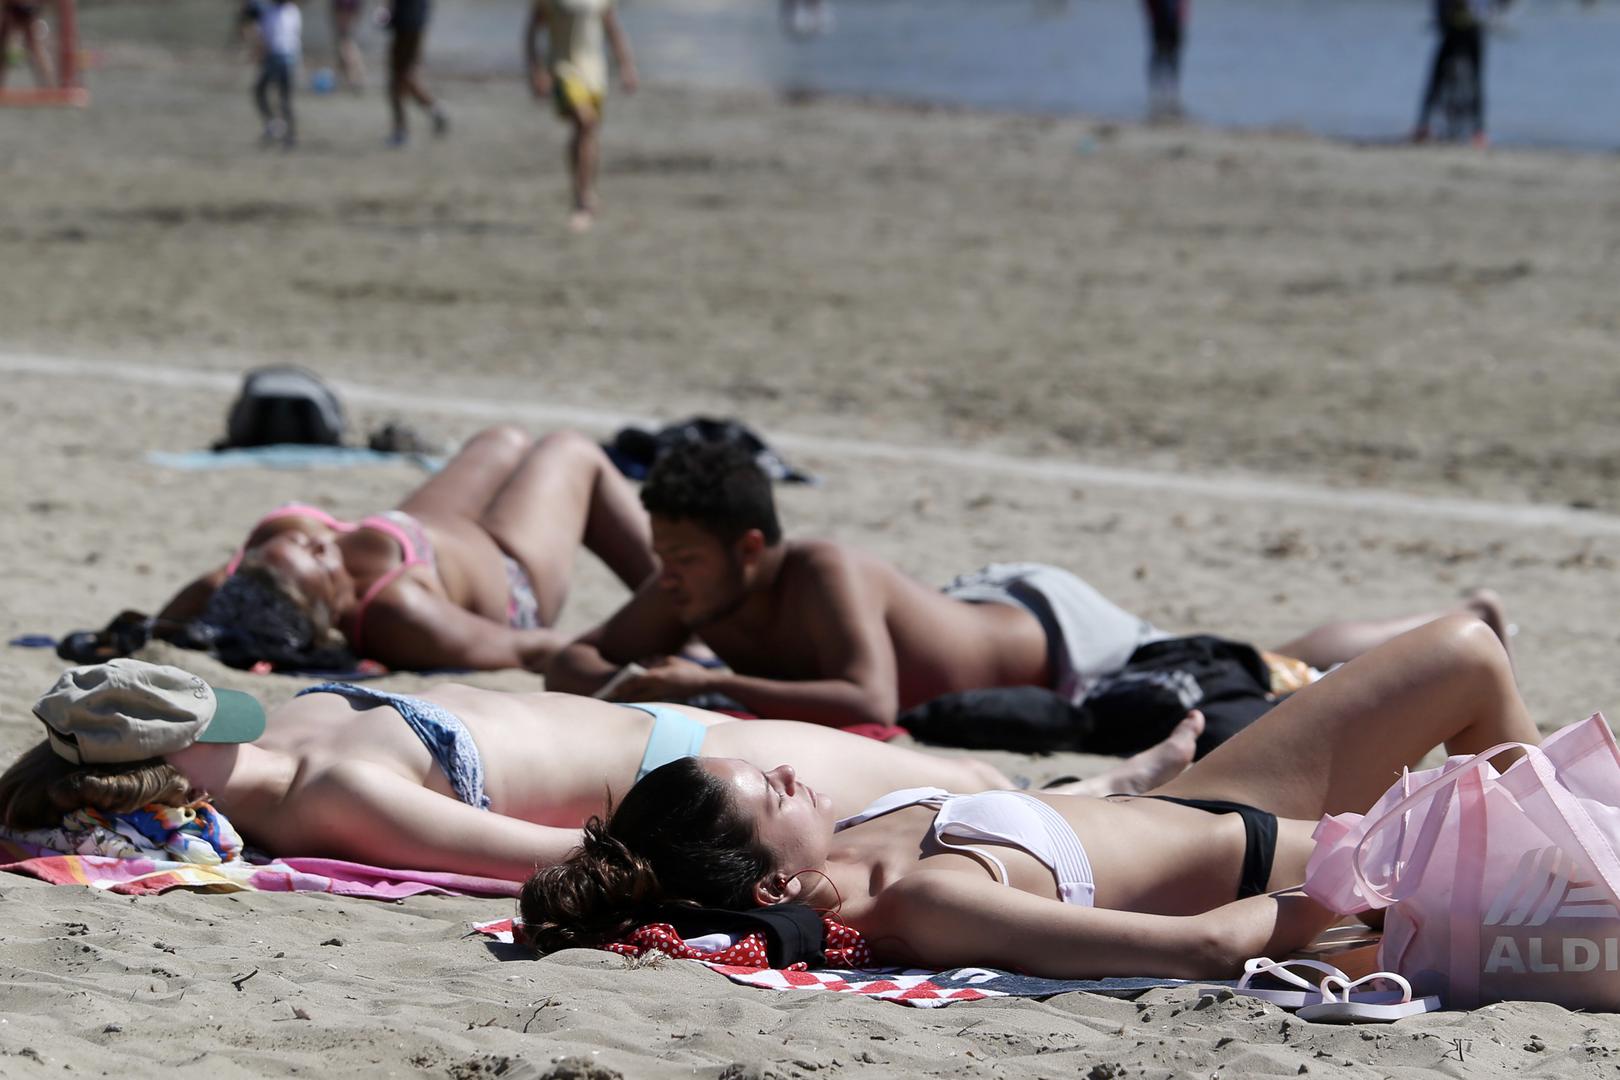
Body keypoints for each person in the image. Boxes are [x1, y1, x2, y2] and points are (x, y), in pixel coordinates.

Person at [523, 613, 1540, 978]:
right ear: (775, 875)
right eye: (768, 789)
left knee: (1466, 655)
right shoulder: (924, 905)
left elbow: (1055, 820)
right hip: (1279, 854)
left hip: (1208, 796)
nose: (792, 770)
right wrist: (1368, 877)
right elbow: (1204, 948)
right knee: (1535, 824)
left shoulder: (857, 834)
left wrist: (1129, 778)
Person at [546, 442, 1513, 741]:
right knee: (1247, 650)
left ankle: (1462, 623)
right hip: (979, 605)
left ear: (752, 546)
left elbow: (866, 702)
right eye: (661, 556)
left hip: (1058, 631)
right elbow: (577, 661)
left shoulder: (820, 570)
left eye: (685, 557)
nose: (664, 574)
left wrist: (690, 686)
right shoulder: (694, 594)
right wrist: (631, 671)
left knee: (1264, 661)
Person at [0, 659, 1204, 882]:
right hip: (694, 772)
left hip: (669, 733)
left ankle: (1102, 796)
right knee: (942, 788)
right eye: (210, 719)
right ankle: (1111, 799)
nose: (229, 715)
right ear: (178, 770)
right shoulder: (332, 796)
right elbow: (569, 853)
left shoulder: (294, 734)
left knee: (940, 770)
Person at [156, 426, 656, 672]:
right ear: (329, 609)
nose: (318, 537)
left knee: (504, 440)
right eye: (319, 558)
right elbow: (530, 648)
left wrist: (159, 630)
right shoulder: (399, 614)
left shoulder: (259, 574)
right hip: (511, 582)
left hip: (431, 536)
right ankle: (680, 599)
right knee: (571, 451)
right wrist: (642, 647)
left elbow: (195, 604)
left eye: (292, 542)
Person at [525, 0, 638, 231]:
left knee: (587, 132)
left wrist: (626, 66)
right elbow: (531, 33)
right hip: (563, 68)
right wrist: (535, 71)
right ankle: (582, 201)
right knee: (585, 123)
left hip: (594, 70)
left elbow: (612, 28)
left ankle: (586, 191)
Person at [1412, 0, 1505, 146]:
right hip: (1465, 27)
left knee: (1440, 78)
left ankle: (1424, 126)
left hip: (1462, 28)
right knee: (1469, 80)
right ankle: (1478, 132)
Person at [384, 0, 447, 147]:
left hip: (406, 23)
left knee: (397, 79)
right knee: (405, 76)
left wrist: (387, 13)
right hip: (417, 23)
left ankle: (401, 131)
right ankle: (436, 110)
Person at [250, 0, 302, 149]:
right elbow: (264, 35)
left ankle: (289, 133)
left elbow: (288, 37)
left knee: (283, 99)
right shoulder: (272, 11)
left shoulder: (289, 11)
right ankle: (276, 125)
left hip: (284, 58)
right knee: (261, 92)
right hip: (275, 57)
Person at [1140, 0, 1186, 120]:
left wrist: (1182, 15)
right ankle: (1156, 97)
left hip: (1173, 18)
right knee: (1159, 54)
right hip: (1159, 17)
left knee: (1172, 55)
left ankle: (1172, 97)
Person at [0, 0, 55, 89]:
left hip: (23, 7)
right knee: (35, 47)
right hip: (19, 7)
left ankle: (48, 86)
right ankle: (48, 85)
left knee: (36, 47)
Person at [329, 0, 366, 92]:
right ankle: (346, 80)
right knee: (343, 50)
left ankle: (354, 79)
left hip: (347, 21)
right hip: (344, 20)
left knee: (347, 49)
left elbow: (351, 10)